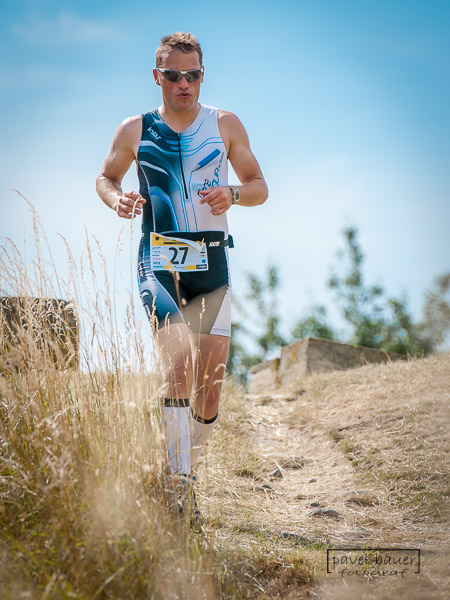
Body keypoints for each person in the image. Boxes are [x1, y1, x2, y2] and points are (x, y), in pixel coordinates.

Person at [96, 32, 268, 522]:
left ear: (202, 75)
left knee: (209, 385)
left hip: (211, 261)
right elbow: (105, 177)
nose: (183, 84)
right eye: (173, 75)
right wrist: (117, 199)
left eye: (192, 75)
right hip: (158, 259)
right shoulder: (135, 129)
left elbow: (259, 186)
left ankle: (185, 467)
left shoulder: (224, 123)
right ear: (158, 77)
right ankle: (177, 487)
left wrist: (234, 194)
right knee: (177, 364)